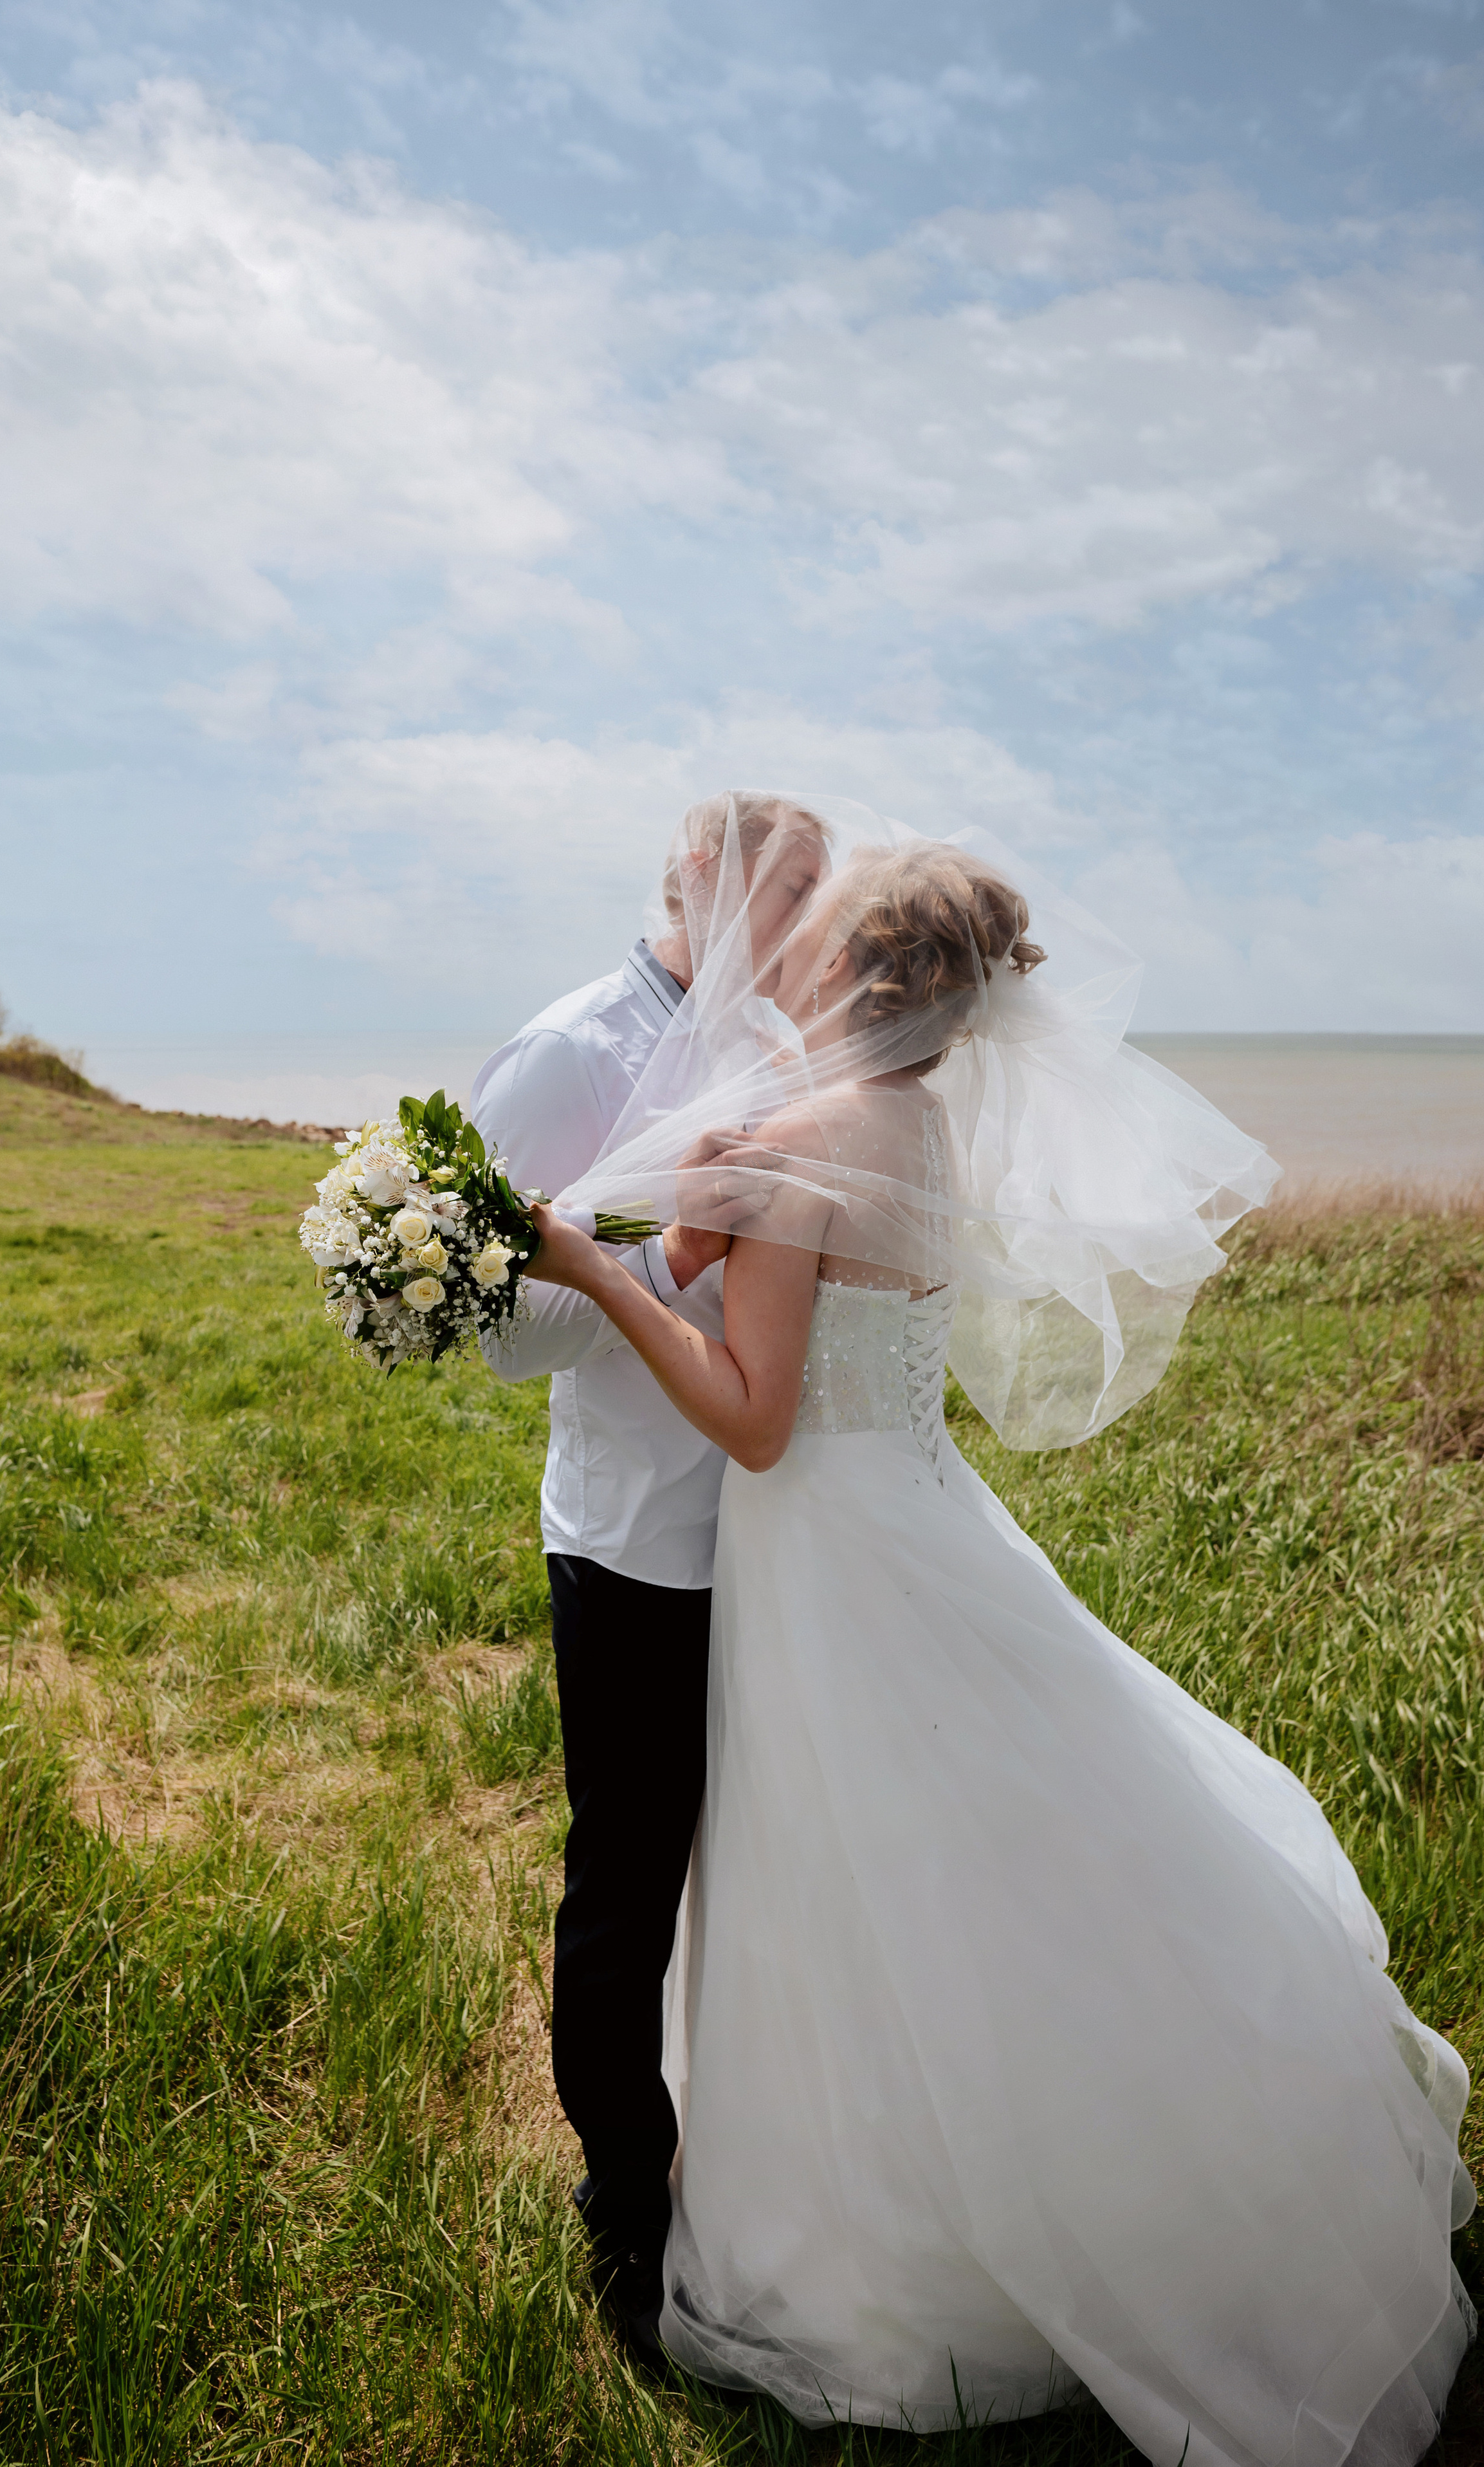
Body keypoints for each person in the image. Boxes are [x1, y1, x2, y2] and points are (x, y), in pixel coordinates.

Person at [523, 813, 1476, 2467]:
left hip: (818, 1548)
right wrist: (687, 1230)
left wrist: (601, 1282)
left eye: (813, 931)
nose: (789, 939)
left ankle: (887, 2266)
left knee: (839, 1886)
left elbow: (750, 1422)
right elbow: (778, 1291)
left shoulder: (792, 1137)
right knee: (944, 1876)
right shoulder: (905, 1125)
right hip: (919, 1520)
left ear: (841, 972)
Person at [468, 791, 832, 2360]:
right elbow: (494, 1333)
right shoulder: (567, 1055)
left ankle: (780, 2167)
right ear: (695, 877)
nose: (808, 924)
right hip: (633, 1542)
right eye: (786, 890)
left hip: (784, 1537)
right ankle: (625, 2198)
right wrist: (666, 1261)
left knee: (768, 1866)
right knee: (628, 1884)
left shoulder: (780, 1049)